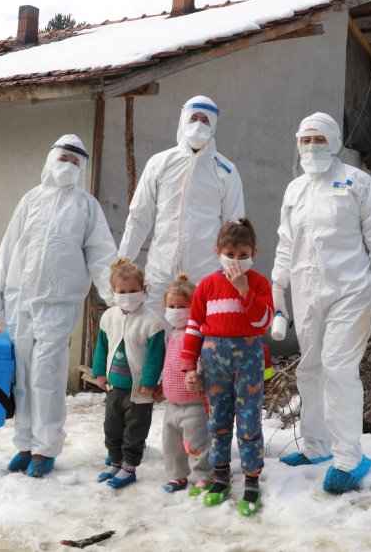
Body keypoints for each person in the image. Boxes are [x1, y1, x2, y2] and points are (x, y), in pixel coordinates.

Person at [271, 112, 371, 494]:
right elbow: (286, 242)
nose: (312, 147)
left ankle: (349, 458)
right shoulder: (295, 190)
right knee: (310, 368)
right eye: (306, 140)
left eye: (320, 140)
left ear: (334, 143)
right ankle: (315, 447)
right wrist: (277, 284)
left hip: (350, 289)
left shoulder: (357, 183)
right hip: (305, 289)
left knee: (338, 366)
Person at [0, 134, 117, 479]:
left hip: (58, 304)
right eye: (64, 158)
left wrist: (115, 298)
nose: (69, 166)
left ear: (82, 167)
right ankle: (25, 445)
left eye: (76, 162)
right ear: (51, 158)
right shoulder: (30, 200)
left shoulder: (86, 206)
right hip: (20, 302)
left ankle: (46, 449)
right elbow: (7, 250)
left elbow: (101, 254)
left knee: (47, 376)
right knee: (22, 377)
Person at [180, 218, 274, 517]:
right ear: (218, 251)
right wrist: (189, 367)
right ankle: (220, 477)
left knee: (249, 421)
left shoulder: (258, 283)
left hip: (248, 359)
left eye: (243, 255)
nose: (236, 261)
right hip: (213, 360)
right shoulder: (207, 285)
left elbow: (262, 323)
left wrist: (244, 289)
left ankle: (251, 479)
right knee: (218, 422)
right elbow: (194, 327)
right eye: (230, 254)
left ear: (253, 252)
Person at [118, 95, 245, 315]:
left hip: (205, 271)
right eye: (193, 117)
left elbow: (234, 228)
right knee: (155, 333)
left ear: (214, 125)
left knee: (200, 337)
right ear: (183, 119)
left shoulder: (226, 170)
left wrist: (231, 273)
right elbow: (139, 216)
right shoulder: (160, 163)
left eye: (205, 120)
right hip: (160, 271)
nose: (198, 124)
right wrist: (123, 262)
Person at [92, 258, 165, 489]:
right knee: (112, 426)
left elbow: (155, 356)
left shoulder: (152, 322)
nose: (128, 295)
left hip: (139, 391)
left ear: (143, 290)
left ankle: (129, 467)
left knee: (135, 430)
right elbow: (102, 346)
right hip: (114, 387)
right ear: (113, 291)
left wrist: (149, 382)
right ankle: (115, 462)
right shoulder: (108, 317)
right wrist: (100, 373)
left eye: (133, 290)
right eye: (122, 291)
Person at [158, 273, 212, 496]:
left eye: (182, 305)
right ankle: (177, 475)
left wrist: (196, 377)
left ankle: (203, 476)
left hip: (194, 402)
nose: (175, 310)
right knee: (172, 445)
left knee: (197, 443)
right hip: (172, 403)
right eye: (171, 305)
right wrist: (161, 385)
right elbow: (168, 363)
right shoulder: (172, 334)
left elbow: (203, 361)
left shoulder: (199, 333)